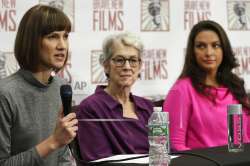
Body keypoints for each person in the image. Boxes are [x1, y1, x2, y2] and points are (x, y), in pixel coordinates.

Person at [0, 5, 78, 166]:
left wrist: (59, 144)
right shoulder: (5, 93)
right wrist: (53, 142)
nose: (62, 45)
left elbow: (62, 156)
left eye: (65, 36)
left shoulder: (61, 87)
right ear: (31, 41)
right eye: (53, 37)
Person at [163, 20, 250, 151]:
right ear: (192, 51)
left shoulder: (236, 84)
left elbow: (246, 136)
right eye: (201, 46)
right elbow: (175, 145)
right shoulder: (181, 90)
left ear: (224, 49)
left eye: (216, 45)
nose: (209, 52)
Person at [76, 32, 153, 162]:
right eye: (119, 60)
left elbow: (167, 151)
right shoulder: (91, 108)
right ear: (106, 65)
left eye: (133, 60)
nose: (127, 67)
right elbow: (99, 161)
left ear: (139, 66)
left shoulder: (148, 107)